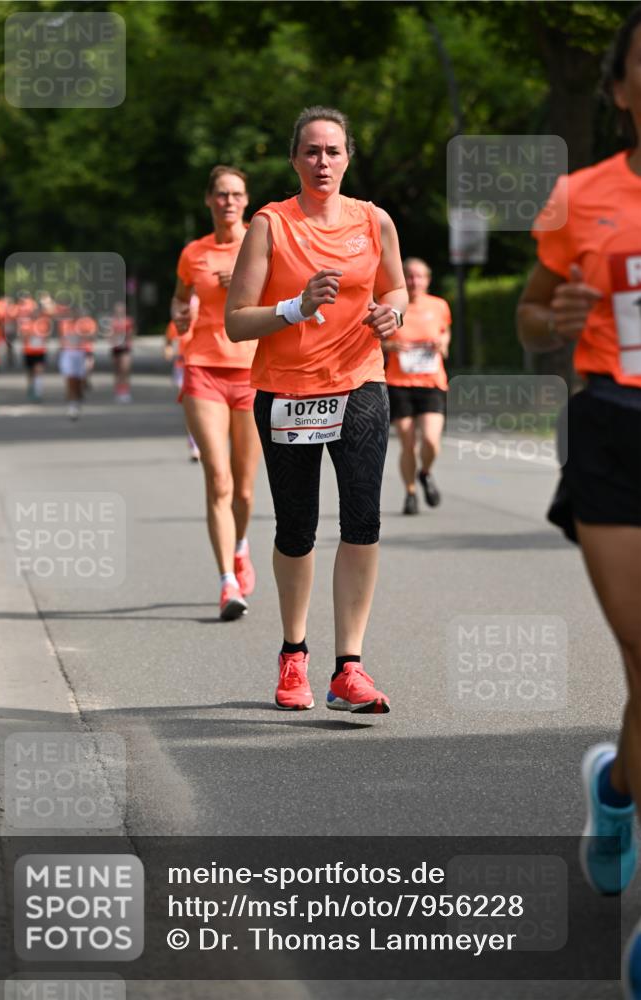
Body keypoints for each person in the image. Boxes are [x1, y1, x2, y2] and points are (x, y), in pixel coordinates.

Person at [517, 8, 641, 994]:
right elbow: (529, 312)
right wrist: (548, 316)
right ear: (621, 91)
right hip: (615, 431)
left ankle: (615, 790)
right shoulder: (581, 198)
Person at [226, 106, 407, 713]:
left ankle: (349, 668)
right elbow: (235, 319)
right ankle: (293, 653)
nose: (322, 161)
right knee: (297, 528)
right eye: (311, 151)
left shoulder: (374, 220)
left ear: (348, 157)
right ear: (294, 159)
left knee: (362, 520)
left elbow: (397, 287)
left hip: (360, 383)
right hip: (287, 391)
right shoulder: (270, 224)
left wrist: (394, 313)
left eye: (332, 151)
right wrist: (295, 308)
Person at [171, 165, 261, 621]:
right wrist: (180, 316)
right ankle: (227, 581)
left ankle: (241, 546)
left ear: (246, 202)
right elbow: (179, 296)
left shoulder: (261, 243)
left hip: (252, 371)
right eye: (221, 194)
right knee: (218, 479)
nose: (229, 201)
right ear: (209, 200)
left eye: (237, 194)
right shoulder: (194, 253)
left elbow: (287, 300)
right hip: (203, 366)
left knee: (244, 491)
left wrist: (245, 291)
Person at [383, 257, 451, 514]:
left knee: (431, 441)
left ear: (428, 280)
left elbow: (444, 332)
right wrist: (390, 346)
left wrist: (442, 344)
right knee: (407, 440)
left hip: (431, 381)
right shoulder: (391, 305)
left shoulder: (439, 306)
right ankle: (410, 492)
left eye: (419, 276)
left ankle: (425, 472)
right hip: (399, 381)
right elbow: (374, 339)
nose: (414, 281)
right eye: (409, 276)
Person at [164, 319, 201, 461]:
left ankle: (199, 443)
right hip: (182, 367)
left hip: (199, 368)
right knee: (190, 407)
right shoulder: (177, 322)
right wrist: (168, 350)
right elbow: (168, 341)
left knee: (198, 407)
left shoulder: (203, 319)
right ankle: (194, 444)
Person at [58, 309, 97, 420]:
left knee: (79, 379)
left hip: (80, 353)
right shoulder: (64, 324)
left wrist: (84, 335)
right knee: (70, 378)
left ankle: (78, 397)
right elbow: (62, 339)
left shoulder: (85, 324)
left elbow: (91, 337)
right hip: (68, 353)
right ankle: (72, 404)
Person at [17, 308, 51, 401]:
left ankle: (38, 392)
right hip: (29, 351)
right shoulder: (26, 324)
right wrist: (27, 334)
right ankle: (31, 387)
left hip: (39, 352)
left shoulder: (43, 324)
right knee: (30, 372)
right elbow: (22, 337)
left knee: (39, 371)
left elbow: (46, 337)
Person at [106, 301, 134, 402]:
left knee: (125, 370)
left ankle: (125, 391)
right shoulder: (112, 321)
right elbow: (109, 335)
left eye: (121, 309)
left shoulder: (128, 321)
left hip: (125, 348)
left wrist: (126, 340)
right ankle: (118, 391)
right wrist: (113, 340)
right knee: (117, 371)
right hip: (115, 349)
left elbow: (131, 334)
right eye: (117, 309)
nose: (119, 311)